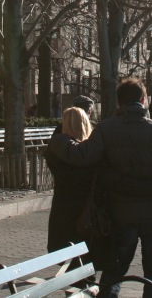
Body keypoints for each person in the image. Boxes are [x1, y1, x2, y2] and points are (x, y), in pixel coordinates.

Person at [48, 77, 152, 298]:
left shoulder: (105, 129)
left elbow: (83, 156)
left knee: (113, 275)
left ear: (119, 103)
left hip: (120, 214)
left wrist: (59, 140)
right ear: (143, 100)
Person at [45, 107, 107, 271]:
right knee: (87, 259)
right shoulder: (93, 152)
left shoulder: (57, 150)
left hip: (63, 209)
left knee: (69, 259)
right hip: (87, 212)